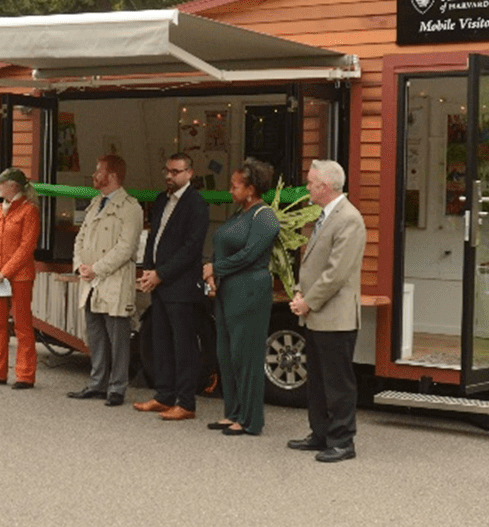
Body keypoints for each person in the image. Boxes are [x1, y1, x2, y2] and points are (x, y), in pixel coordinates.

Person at [288, 159, 366, 463]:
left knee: (338, 382)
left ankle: (343, 441)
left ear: (325, 186)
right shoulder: (325, 216)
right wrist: (299, 289)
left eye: (310, 182)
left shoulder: (349, 219)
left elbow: (337, 273)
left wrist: (308, 301)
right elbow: (313, 264)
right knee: (318, 380)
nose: (307, 187)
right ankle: (320, 434)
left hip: (336, 317)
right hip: (318, 315)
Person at [203, 158, 279, 436]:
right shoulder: (238, 214)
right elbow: (221, 245)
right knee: (226, 353)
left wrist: (216, 268)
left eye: (235, 186)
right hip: (227, 290)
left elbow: (249, 255)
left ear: (251, 189)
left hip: (250, 291)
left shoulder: (265, 217)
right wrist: (211, 275)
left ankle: (250, 418)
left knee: (245, 355)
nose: (230, 190)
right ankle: (232, 411)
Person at [134, 152, 209, 421]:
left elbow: (191, 248)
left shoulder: (196, 204)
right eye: (167, 170)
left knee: (183, 344)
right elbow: (154, 236)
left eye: (175, 171)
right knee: (161, 340)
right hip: (159, 281)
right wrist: (146, 268)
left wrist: (161, 274)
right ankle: (164, 395)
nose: (169, 176)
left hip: (180, 285)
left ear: (189, 173)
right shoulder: (161, 199)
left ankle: (186, 401)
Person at [67, 155, 143, 407]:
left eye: (98, 171)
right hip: (91, 281)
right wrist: (80, 265)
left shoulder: (130, 207)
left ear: (111, 176)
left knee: (118, 336)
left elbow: (126, 247)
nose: (93, 175)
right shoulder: (95, 203)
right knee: (96, 334)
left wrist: (96, 269)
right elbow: (80, 238)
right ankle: (97, 382)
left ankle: (117, 386)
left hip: (113, 280)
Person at [0, 167, 41, 389]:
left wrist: (4, 273)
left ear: (13, 186)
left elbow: (26, 248)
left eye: (1, 183)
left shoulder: (29, 211)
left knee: (22, 325)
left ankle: (25, 375)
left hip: (19, 277)